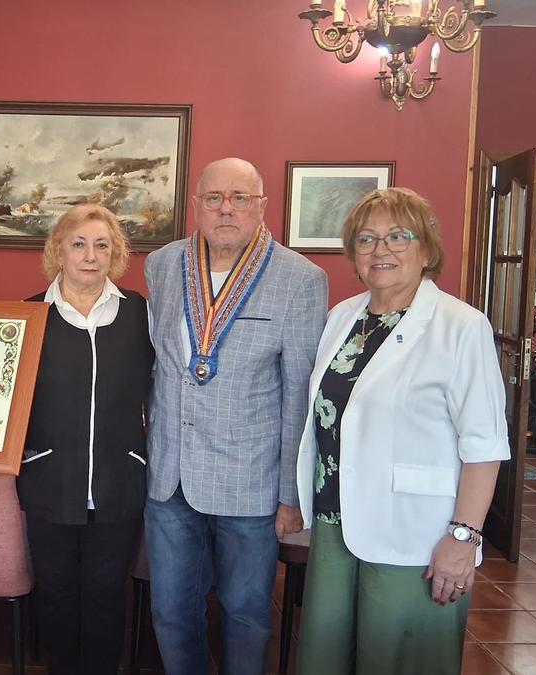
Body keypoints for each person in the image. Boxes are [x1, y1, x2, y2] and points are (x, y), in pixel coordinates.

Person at [0, 203, 155, 674]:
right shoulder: (24, 318)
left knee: (105, 594)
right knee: (55, 594)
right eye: (78, 244)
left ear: (116, 254)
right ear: (58, 250)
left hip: (121, 480)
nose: (90, 255)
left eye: (103, 245)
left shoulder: (140, 313)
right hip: (48, 480)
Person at [294, 188, 509, 675]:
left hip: (415, 533)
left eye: (397, 236)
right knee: (328, 659)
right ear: (352, 254)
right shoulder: (342, 318)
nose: (380, 250)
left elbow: (485, 446)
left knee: (402, 659)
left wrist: (464, 538)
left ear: (426, 248)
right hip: (336, 525)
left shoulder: (461, 326)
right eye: (366, 239)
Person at [144, 158, 328, 675]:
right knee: (171, 612)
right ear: (196, 204)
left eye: (240, 198)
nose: (226, 208)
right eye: (215, 197)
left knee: (246, 614)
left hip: (251, 485)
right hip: (169, 478)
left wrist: (290, 495)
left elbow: (300, 395)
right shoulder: (162, 264)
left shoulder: (300, 280)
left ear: (262, 206)